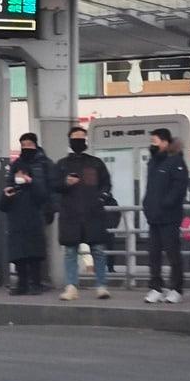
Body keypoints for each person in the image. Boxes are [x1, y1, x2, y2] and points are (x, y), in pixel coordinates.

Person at [55, 126, 113, 302]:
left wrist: (102, 199)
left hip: (93, 213)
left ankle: (101, 285)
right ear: (70, 140)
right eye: (76, 137)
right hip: (70, 214)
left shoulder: (95, 163)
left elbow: (106, 184)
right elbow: (54, 186)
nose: (79, 141)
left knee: (98, 250)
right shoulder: (62, 164)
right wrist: (66, 182)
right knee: (70, 252)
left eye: (82, 137)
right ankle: (71, 286)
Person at [142, 128, 190, 304]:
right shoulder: (153, 162)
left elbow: (179, 188)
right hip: (154, 216)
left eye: (155, 140)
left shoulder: (176, 161)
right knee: (153, 254)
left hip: (169, 217)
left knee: (172, 253)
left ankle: (176, 288)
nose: (152, 144)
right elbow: (150, 188)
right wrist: (147, 204)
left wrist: (165, 204)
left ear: (165, 142)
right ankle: (155, 287)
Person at [0, 141, 51, 295]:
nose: (20, 177)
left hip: (33, 226)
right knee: (19, 258)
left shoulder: (34, 188)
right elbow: (1, 206)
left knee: (34, 257)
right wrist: (6, 196)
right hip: (17, 228)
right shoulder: (11, 189)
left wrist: (31, 182)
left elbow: (42, 197)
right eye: (18, 174)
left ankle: (36, 284)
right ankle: (22, 285)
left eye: (23, 174)